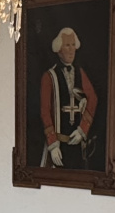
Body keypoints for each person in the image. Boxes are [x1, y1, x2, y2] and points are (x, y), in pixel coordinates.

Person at [39, 27, 98, 168]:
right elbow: (45, 111)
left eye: (73, 45)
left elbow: (93, 99)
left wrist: (82, 130)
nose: (71, 50)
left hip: (77, 143)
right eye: (67, 45)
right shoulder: (49, 76)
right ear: (59, 49)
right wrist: (53, 144)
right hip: (58, 146)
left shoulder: (80, 72)